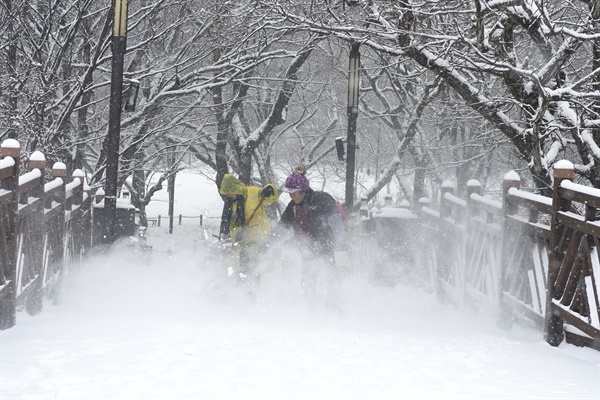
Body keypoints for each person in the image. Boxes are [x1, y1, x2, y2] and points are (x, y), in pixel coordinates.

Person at [265, 167, 348, 309]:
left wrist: (341, 242)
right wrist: (267, 245)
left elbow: (336, 221)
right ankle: (311, 308)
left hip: (328, 246)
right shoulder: (293, 207)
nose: (291, 197)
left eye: (293, 194)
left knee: (331, 276)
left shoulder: (322, 199)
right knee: (308, 279)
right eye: (289, 194)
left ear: (303, 191)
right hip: (308, 248)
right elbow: (281, 228)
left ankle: (334, 307)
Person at [218, 174, 279, 280]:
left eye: (229, 192)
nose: (228, 196)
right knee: (242, 265)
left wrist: (270, 189)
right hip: (244, 241)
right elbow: (232, 225)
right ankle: (245, 288)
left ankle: (256, 288)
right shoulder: (231, 204)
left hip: (261, 237)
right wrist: (238, 232)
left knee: (257, 265)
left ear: (235, 188)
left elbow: (272, 198)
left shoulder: (253, 192)